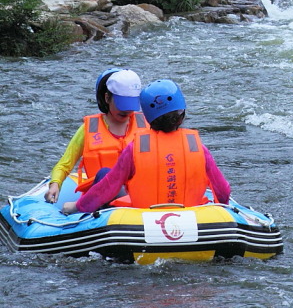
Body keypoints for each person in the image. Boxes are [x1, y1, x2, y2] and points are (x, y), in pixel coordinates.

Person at [62, 80, 231, 215]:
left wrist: (78, 207)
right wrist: (222, 211)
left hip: (142, 216)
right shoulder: (198, 148)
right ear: (182, 116)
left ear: (148, 119)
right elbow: (222, 189)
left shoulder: (135, 149)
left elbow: (109, 186)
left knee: (104, 175)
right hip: (190, 214)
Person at [45, 68, 147, 203]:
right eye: (121, 104)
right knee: (105, 174)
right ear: (107, 98)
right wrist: (55, 184)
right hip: (101, 201)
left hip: (139, 197)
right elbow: (65, 164)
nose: (126, 110)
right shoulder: (89, 128)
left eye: (130, 105)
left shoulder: (146, 126)